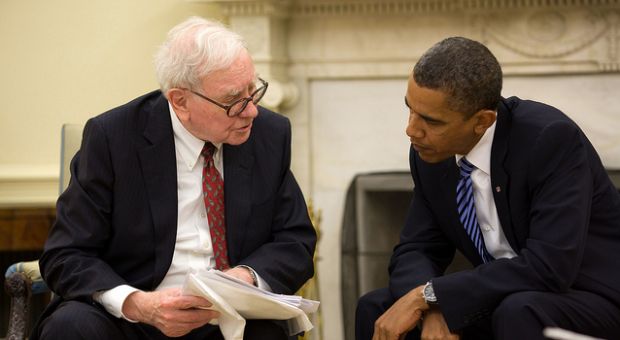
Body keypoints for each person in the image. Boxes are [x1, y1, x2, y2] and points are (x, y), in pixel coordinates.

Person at [33, 16, 316, 340]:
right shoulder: (113, 138)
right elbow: (65, 254)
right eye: (233, 101)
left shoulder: (269, 134)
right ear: (180, 101)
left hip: (226, 321)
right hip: (132, 320)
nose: (251, 111)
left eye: (254, 91)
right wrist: (137, 304)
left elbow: (295, 242)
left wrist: (246, 278)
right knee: (71, 328)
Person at [356, 37, 620, 340]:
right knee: (377, 308)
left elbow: (549, 266)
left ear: (482, 121)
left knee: (519, 309)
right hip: (506, 293)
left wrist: (431, 295)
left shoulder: (549, 140)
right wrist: (430, 307)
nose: (411, 129)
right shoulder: (430, 151)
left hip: (590, 295)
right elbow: (417, 248)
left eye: (430, 120)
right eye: (410, 109)